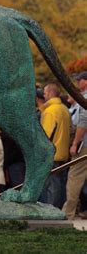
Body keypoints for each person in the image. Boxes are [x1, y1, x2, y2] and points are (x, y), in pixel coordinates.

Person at [39, 83, 71, 208]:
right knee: (60, 185)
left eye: (45, 93)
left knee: (51, 186)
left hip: (52, 154)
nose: (44, 96)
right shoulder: (64, 109)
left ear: (51, 93)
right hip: (63, 153)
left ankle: (51, 210)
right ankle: (59, 209)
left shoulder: (50, 111)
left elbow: (45, 135)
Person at [62, 72, 87, 220]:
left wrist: (75, 143)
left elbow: (83, 122)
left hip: (83, 144)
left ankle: (68, 213)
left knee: (74, 177)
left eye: (80, 80)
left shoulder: (84, 98)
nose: (77, 83)